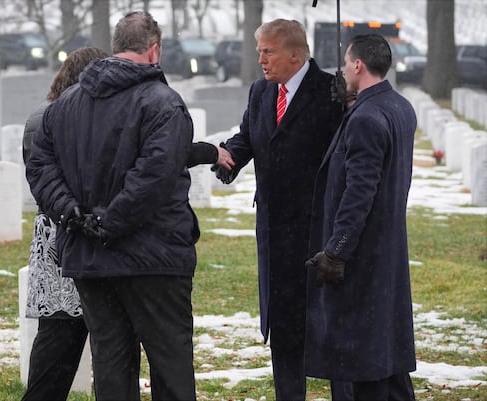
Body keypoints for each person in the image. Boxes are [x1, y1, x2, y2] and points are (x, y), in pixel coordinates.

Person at [26, 11, 232, 401]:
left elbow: (40, 169)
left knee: (112, 367)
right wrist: (108, 221)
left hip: (90, 257)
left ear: (118, 46)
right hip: (154, 258)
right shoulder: (163, 102)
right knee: (170, 366)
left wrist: (72, 213)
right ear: (154, 50)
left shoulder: (64, 105)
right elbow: (155, 177)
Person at [212, 19, 344, 400]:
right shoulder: (261, 91)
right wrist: (229, 158)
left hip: (318, 231)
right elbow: (249, 135)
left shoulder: (330, 92)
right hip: (274, 234)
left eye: (267, 52)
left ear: (295, 54)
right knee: (284, 327)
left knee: (328, 326)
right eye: (259, 52)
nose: (261, 60)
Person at [304, 33, 417, 400]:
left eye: (345, 62)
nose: (341, 70)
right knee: (388, 364)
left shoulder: (367, 118)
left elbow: (359, 194)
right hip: (388, 252)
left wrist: (336, 251)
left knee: (363, 367)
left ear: (357, 65)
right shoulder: (399, 106)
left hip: (362, 259)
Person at [21, 46, 109, 401]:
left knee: (54, 348)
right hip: (73, 237)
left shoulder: (40, 116)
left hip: (52, 237)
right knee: (85, 347)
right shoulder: (57, 119)